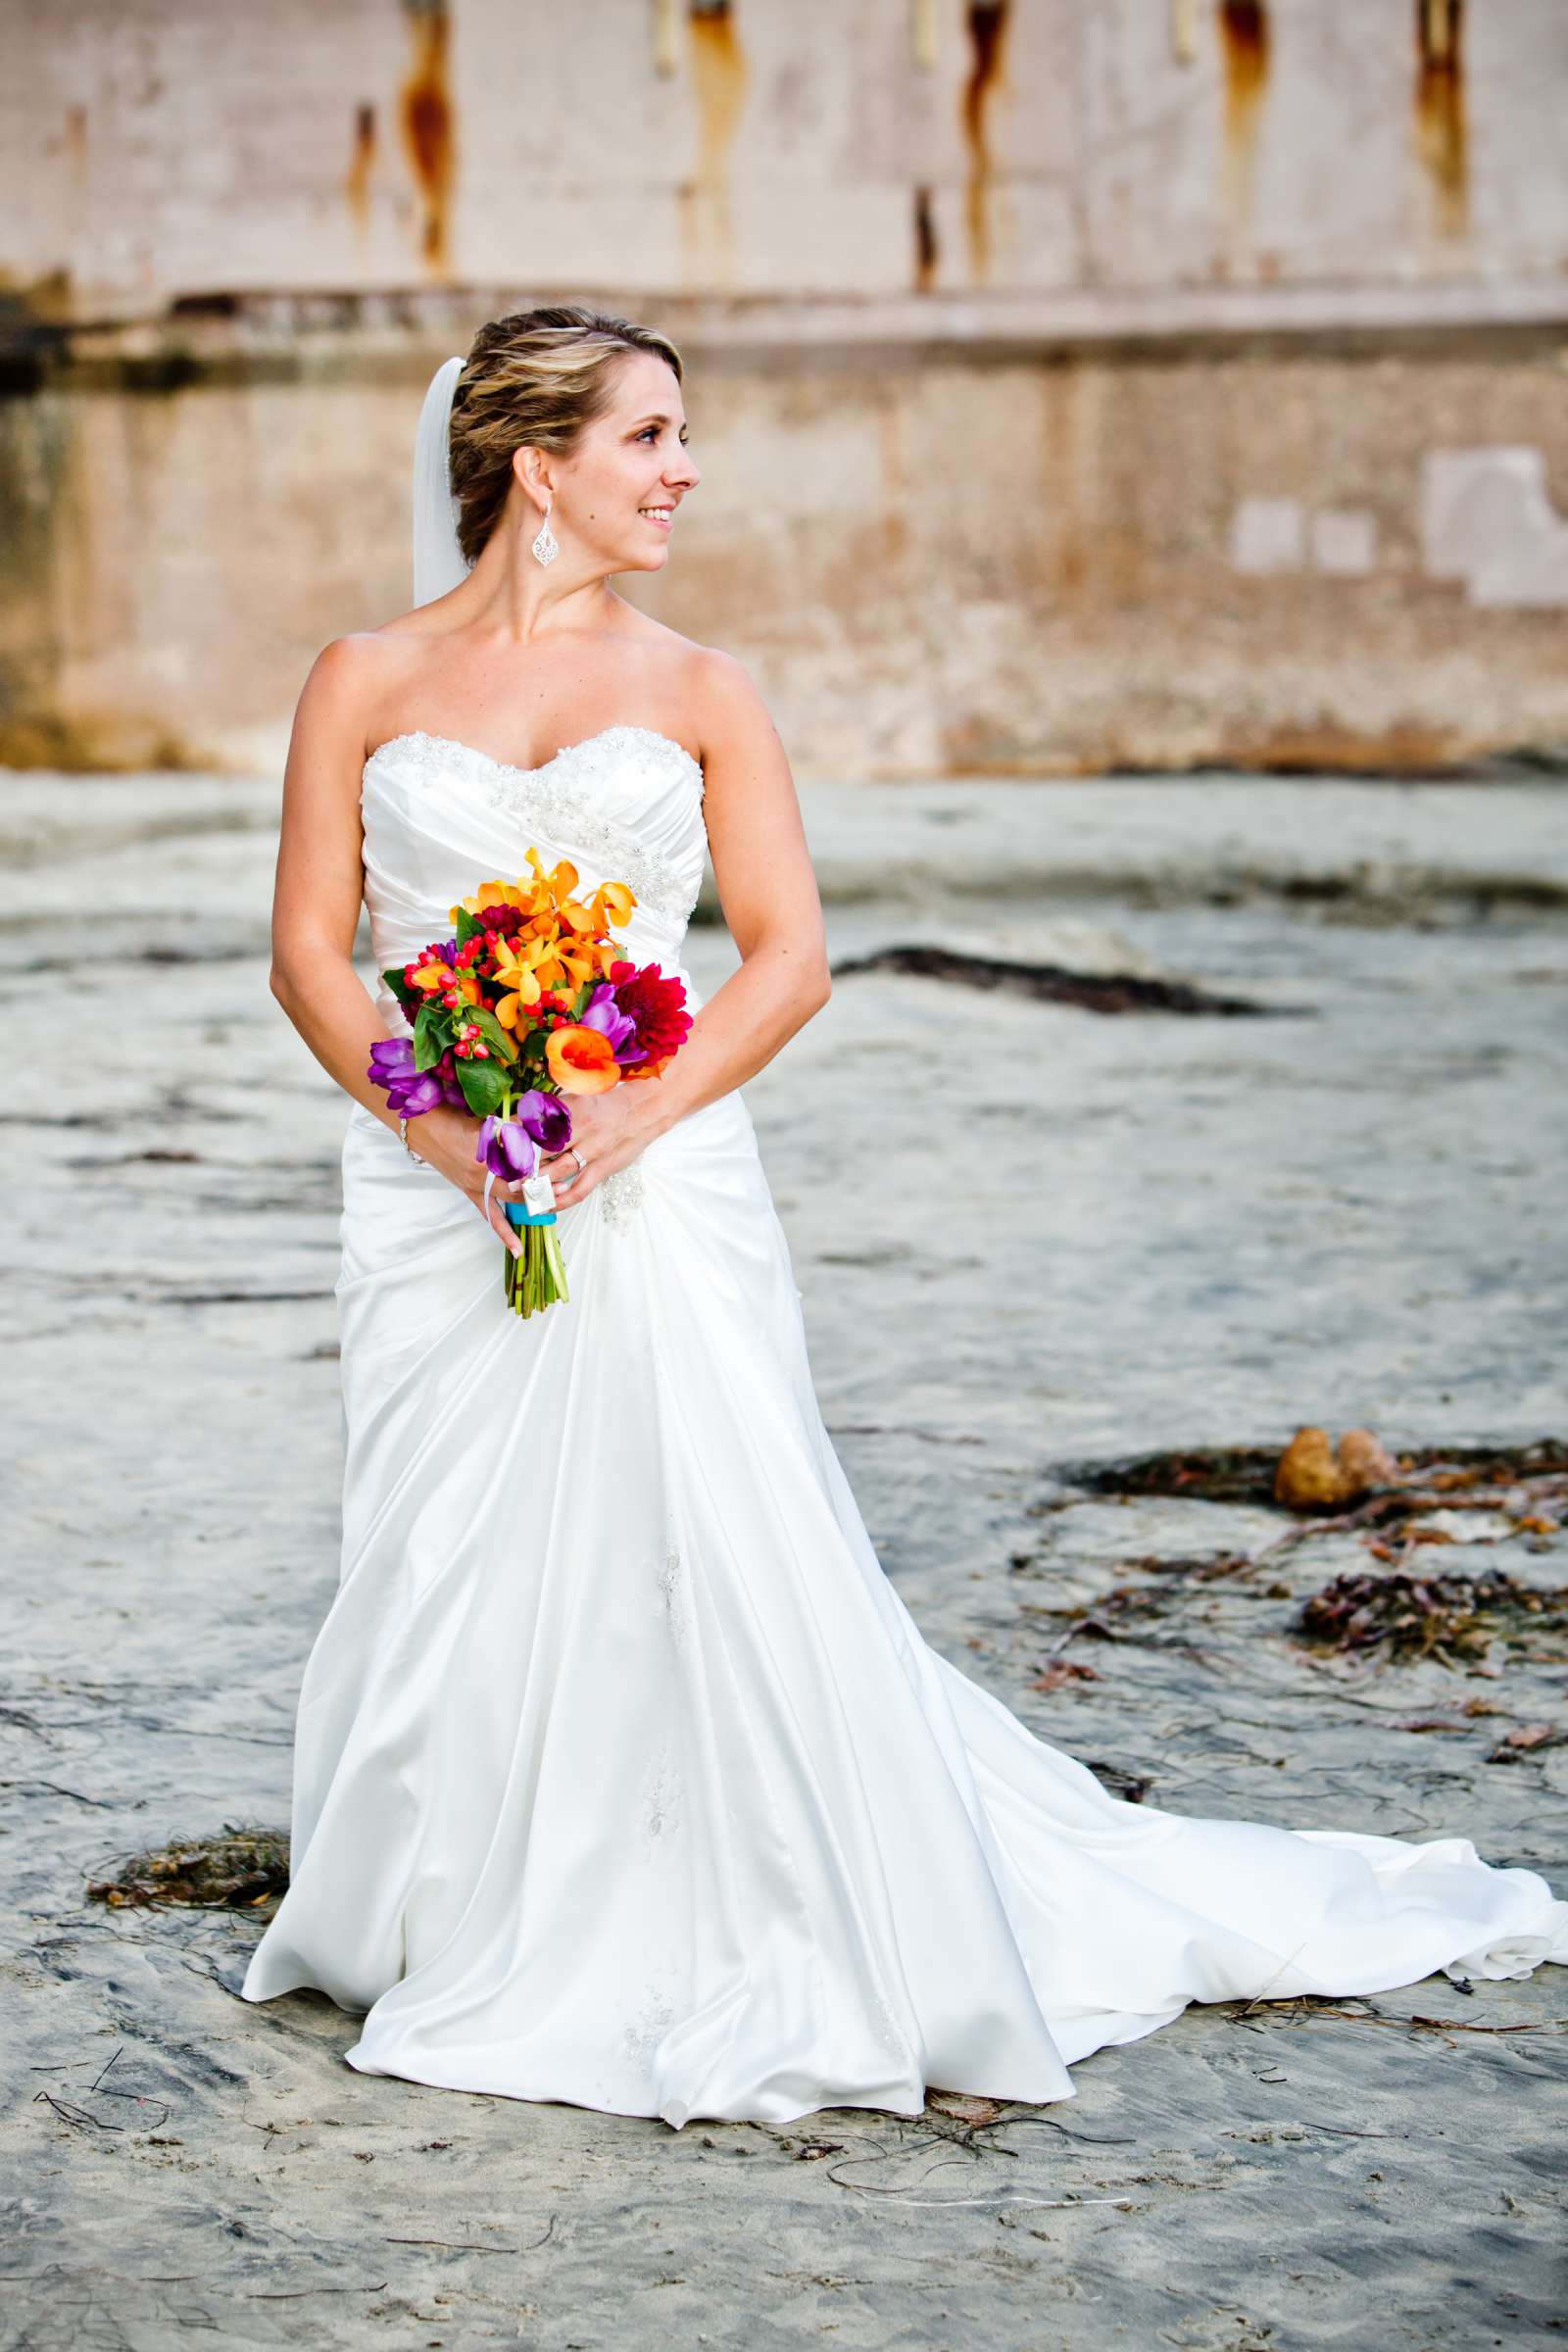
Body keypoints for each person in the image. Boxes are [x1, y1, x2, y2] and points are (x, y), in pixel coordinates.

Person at [240, 305, 1568, 2130]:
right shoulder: (361, 681)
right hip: (438, 1180)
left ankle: (733, 1895)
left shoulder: (704, 687)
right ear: (536, 470)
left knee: (711, 1531)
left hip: (658, 1165)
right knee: (451, 1533)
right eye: (648, 439)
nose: (685, 470)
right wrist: (454, 1140)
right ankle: (455, 1896)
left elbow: (789, 965)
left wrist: (623, 1115)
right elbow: (316, 954)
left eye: (680, 437)